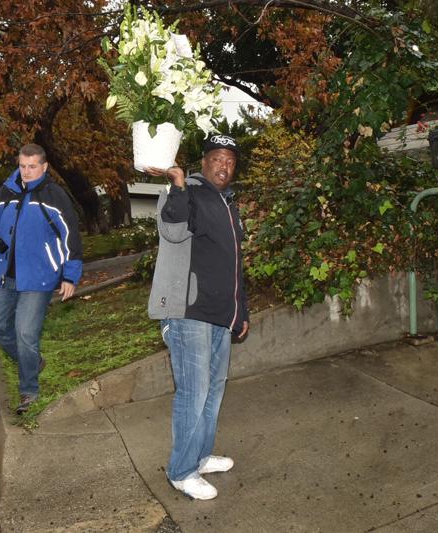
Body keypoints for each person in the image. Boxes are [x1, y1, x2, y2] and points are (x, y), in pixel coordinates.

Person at [146, 134, 250, 500]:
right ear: (203, 161)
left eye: (231, 161)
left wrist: (242, 311)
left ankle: (200, 456)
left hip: (221, 315)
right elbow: (172, 230)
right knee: (194, 392)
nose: (224, 166)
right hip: (188, 312)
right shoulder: (185, 192)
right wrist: (176, 186)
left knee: (213, 391)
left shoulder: (227, 202)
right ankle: (181, 471)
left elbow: (234, 264)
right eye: (218, 158)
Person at [0, 143, 83, 414]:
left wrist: (69, 276)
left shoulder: (54, 195)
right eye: (22, 166)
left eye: (32, 166)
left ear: (44, 166)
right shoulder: (8, 190)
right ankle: (34, 362)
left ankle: (29, 392)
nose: (26, 172)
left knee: (25, 333)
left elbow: (70, 236)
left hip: (39, 278)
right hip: (5, 276)